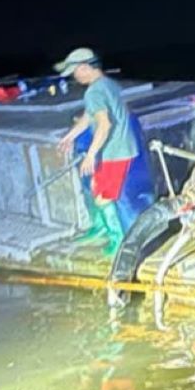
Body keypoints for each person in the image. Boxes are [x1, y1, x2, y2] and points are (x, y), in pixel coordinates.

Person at [55, 48, 137, 255]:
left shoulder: (94, 92)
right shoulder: (108, 84)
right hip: (117, 149)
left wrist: (90, 155)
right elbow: (89, 117)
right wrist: (70, 136)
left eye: (74, 72)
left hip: (115, 152)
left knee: (103, 197)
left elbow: (104, 124)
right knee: (95, 186)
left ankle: (117, 242)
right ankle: (101, 228)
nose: (74, 77)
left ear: (84, 67)